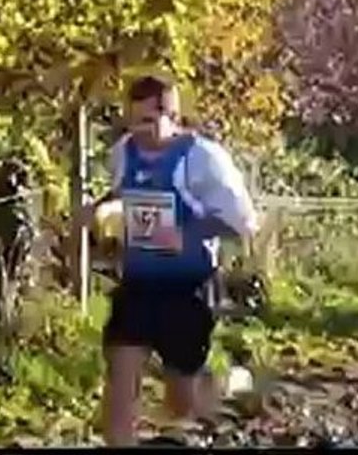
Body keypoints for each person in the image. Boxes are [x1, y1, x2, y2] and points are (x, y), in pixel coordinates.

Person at [71, 75, 261, 446]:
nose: (138, 131)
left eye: (148, 121)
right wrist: (97, 212)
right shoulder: (124, 152)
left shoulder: (202, 159)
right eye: (133, 119)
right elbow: (123, 194)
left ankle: (226, 395)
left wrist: (182, 232)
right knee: (120, 377)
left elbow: (243, 225)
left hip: (187, 287)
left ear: (173, 116)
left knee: (182, 402)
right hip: (138, 283)